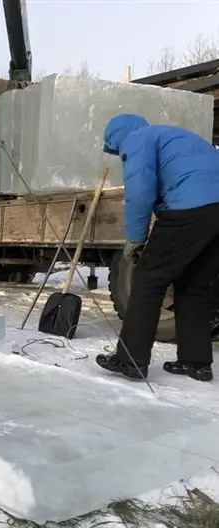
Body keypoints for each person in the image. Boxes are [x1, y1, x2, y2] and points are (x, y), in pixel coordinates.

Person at [95, 113, 219, 382]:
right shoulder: (174, 136)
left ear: (118, 137)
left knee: (149, 280)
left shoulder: (137, 139)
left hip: (189, 209)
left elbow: (140, 192)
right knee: (194, 286)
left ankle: (130, 360)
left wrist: (136, 240)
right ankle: (196, 362)